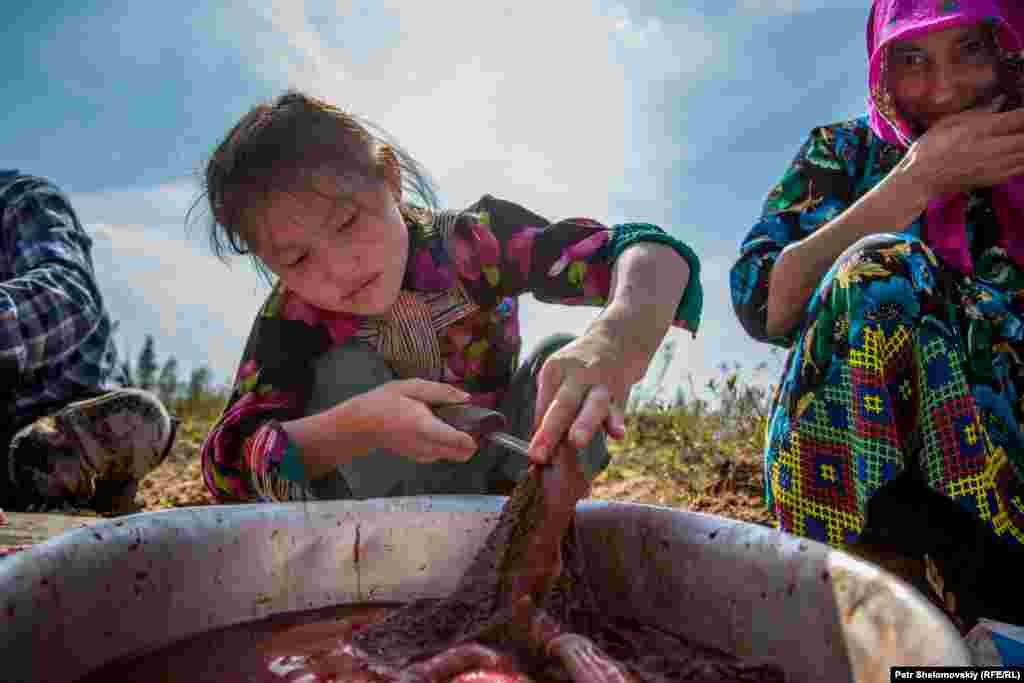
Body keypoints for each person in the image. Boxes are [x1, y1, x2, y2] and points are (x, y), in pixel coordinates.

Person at [197, 90, 702, 504]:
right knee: (344, 372)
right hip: (373, 531)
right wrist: (354, 429)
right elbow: (226, 469)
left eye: (348, 222)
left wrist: (617, 343)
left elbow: (647, 254)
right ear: (269, 263)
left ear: (390, 180)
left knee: (561, 362)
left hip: (505, 481)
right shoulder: (293, 319)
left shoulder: (472, 245)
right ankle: (408, 575)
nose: (339, 267)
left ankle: (534, 542)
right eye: (297, 260)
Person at [731, 0, 1024, 629]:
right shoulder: (845, 153)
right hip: (877, 494)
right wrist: (919, 180)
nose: (942, 89)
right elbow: (763, 301)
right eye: (913, 59)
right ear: (882, 68)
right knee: (880, 273)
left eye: (969, 50)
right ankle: (872, 614)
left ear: (1008, 46)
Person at [0, 171, 177, 514]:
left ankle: (81, 467)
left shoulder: (21, 199)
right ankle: (34, 485)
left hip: (59, 401)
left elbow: (69, 298)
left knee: (138, 422)